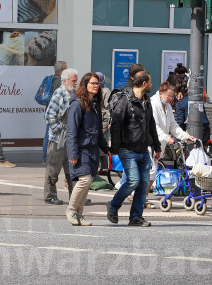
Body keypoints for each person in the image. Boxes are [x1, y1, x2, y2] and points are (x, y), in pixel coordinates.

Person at [106, 71, 160, 227]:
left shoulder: (146, 101)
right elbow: (116, 124)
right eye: (150, 82)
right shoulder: (125, 100)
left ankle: (135, 217)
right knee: (133, 181)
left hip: (144, 150)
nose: (151, 85)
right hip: (128, 149)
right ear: (144, 83)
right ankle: (113, 205)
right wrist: (114, 148)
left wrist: (156, 146)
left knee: (143, 184)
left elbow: (151, 125)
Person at [65, 73, 109, 226]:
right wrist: (73, 153)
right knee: (85, 180)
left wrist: (107, 149)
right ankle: (71, 210)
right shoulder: (77, 104)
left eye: (97, 84)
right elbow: (71, 131)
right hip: (81, 149)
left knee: (88, 182)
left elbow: (98, 132)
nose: (96, 86)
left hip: (93, 150)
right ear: (85, 85)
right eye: (92, 83)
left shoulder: (95, 104)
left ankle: (79, 214)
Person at [43, 67, 79, 205]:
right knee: (53, 169)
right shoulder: (59, 93)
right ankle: (50, 196)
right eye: (73, 80)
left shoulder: (75, 94)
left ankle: (75, 197)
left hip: (70, 139)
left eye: (76, 80)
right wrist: (60, 131)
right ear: (64, 81)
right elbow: (49, 115)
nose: (75, 82)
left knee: (73, 170)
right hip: (57, 140)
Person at [151, 81, 195, 151]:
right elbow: (154, 127)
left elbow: (173, 125)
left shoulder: (168, 106)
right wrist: (166, 138)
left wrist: (186, 136)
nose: (171, 99)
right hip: (151, 145)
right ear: (160, 93)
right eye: (168, 96)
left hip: (160, 146)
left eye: (172, 96)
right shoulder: (153, 104)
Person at [37, 61, 67, 161]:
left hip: (48, 110)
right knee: (51, 135)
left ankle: (46, 157)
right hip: (57, 112)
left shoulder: (51, 78)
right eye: (66, 68)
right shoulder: (60, 82)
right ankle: (48, 158)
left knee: (48, 134)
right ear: (61, 70)